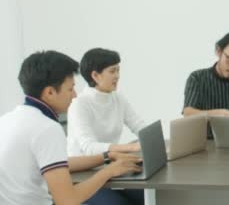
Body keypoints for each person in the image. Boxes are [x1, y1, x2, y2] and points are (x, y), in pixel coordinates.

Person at [0, 50, 141, 205]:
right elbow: (67, 201)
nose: (74, 95)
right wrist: (108, 171)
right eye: (70, 88)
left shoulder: (8, 120)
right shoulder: (47, 128)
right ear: (50, 92)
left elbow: (61, 162)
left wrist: (106, 156)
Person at [67, 48, 146, 205]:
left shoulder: (117, 97)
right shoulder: (79, 104)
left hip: (111, 170)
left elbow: (138, 124)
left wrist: (151, 139)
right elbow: (88, 147)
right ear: (95, 75)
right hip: (83, 176)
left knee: (152, 196)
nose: (117, 76)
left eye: (118, 70)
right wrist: (129, 147)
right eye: (112, 71)